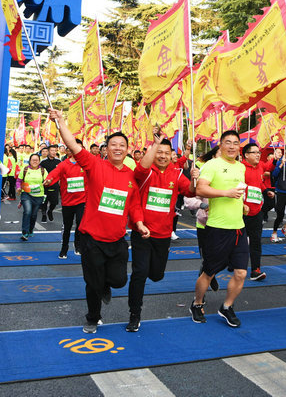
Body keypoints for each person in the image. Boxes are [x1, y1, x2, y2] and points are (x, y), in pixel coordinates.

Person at [49, 108, 137, 335]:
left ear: (128, 150)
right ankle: (92, 317)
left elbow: (134, 204)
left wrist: (140, 223)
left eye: (122, 145)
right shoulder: (94, 164)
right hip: (91, 239)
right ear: (106, 149)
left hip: (117, 240)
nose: (118, 148)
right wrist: (61, 122)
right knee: (93, 284)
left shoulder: (131, 175)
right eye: (113, 145)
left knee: (118, 281)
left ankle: (106, 285)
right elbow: (72, 144)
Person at [127, 135, 197, 331]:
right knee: (139, 273)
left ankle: (149, 269)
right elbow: (140, 169)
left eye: (167, 153)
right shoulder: (145, 172)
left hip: (163, 234)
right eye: (159, 152)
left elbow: (190, 191)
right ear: (153, 153)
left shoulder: (176, 173)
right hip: (142, 232)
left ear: (172, 155)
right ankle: (135, 313)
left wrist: (193, 179)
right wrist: (155, 143)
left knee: (157, 275)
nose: (163, 156)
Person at [190, 130, 248, 328]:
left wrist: (243, 205)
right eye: (228, 143)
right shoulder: (212, 165)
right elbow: (200, 189)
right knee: (209, 272)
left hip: (239, 228)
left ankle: (227, 307)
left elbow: (238, 193)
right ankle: (197, 304)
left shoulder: (241, 167)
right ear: (221, 145)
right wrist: (226, 193)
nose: (232, 146)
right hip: (217, 228)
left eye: (235, 143)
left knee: (241, 273)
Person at [44, 141, 87, 258]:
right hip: (68, 202)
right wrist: (48, 179)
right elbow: (54, 173)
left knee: (80, 224)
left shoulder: (86, 164)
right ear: (70, 150)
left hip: (82, 201)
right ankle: (64, 248)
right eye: (75, 148)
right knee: (67, 227)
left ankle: (78, 246)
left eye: (80, 148)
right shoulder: (64, 164)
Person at [241, 142, 268, 282]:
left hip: (257, 211)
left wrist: (266, 191)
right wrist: (241, 204)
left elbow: (260, 183)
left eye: (259, 152)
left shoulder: (259, 168)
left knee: (256, 241)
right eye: (255, 152)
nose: (258, 155)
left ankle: (255, 270)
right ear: (246, 155)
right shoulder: (240, 169)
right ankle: (233, 264)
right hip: (241, 213)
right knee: (237, 241)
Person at [19, 153, 47, 241]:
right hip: (26, 193)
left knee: (34, 214)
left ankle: (30, 230)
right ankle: (25, 232)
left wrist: (48, 182)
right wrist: (18, 187)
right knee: (27, 211)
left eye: (37, 160)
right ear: (30, 161)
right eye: (33, 160)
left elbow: (48, 180)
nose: (35, 161)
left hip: (38, 195)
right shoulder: (25, 169)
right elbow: (19, 180)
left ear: (39, 161)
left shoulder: (43, 170)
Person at [40, 144, 61, 222]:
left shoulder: (58, 161)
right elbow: (40, 172)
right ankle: (44, 214)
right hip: (45, 184)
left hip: (55, 184)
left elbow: (61, 173)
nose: (54, 152)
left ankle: (50, 211)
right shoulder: (43, 162)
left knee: (55, 202)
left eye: (55, 151)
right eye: (52, 150)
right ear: (48, 152)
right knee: (44, 201)